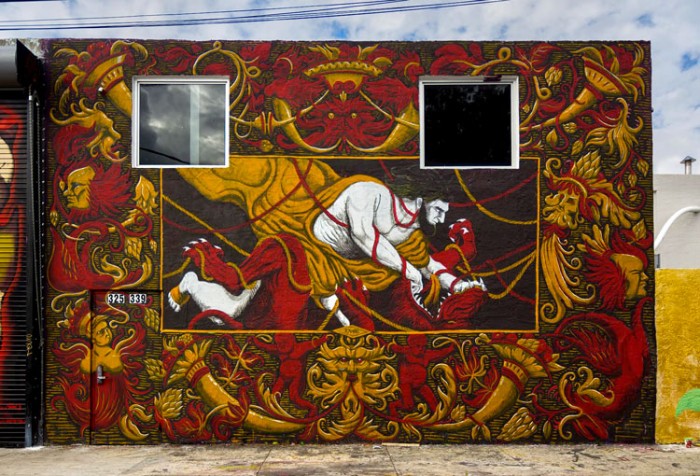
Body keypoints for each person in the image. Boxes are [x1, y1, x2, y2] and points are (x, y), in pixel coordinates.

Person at [311, 171, 484, 325]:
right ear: (420, 201)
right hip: (320, 252)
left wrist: (457, 285)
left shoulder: (411, 229)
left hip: (357, 266)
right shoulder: (368, 192)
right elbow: (362, 234)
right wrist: (408, 270)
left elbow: (425, 264)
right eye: (438, 210)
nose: (441, 219)